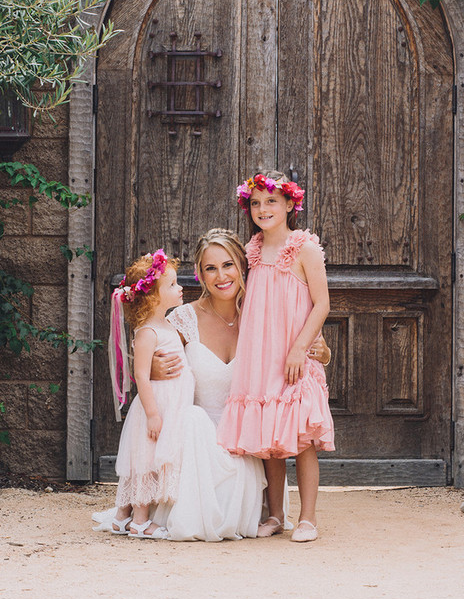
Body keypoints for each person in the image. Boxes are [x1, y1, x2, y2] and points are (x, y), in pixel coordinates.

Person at [94, 230, 330, 541]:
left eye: (228, 265)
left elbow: (312, 348)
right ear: (200, 275)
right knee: (193, 420)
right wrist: (151, 368)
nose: (221, 276)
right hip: (193, 449)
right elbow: (147, 345)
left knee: (241, 480)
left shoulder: (261, 318)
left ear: (242, 269)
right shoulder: (183, 319)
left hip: (243, 445)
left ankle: (275, 512)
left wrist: (322, 352)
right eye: (210, 268)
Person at [217, 171, 335, 542]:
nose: (263, 209)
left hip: (292, 354)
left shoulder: (305, 249)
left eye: (271, 201)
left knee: (300, 439)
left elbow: (322, 303)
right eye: (255, 203)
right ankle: (275, 515)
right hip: (261, 354)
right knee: (271, 436)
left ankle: (309, 518)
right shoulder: (251, 251)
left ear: (289, 205)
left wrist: (302, 347)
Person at [108, 249, 190, 538]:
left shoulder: (167, 325)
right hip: (154, 409)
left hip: (170, 406)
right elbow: (142, 374)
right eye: (172, 285)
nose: (180, 288)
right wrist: (153, 414)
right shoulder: (147, 332)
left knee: (155, 459)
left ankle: (122, 517)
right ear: (153, 296)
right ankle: (140, 521)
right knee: (145, 461)